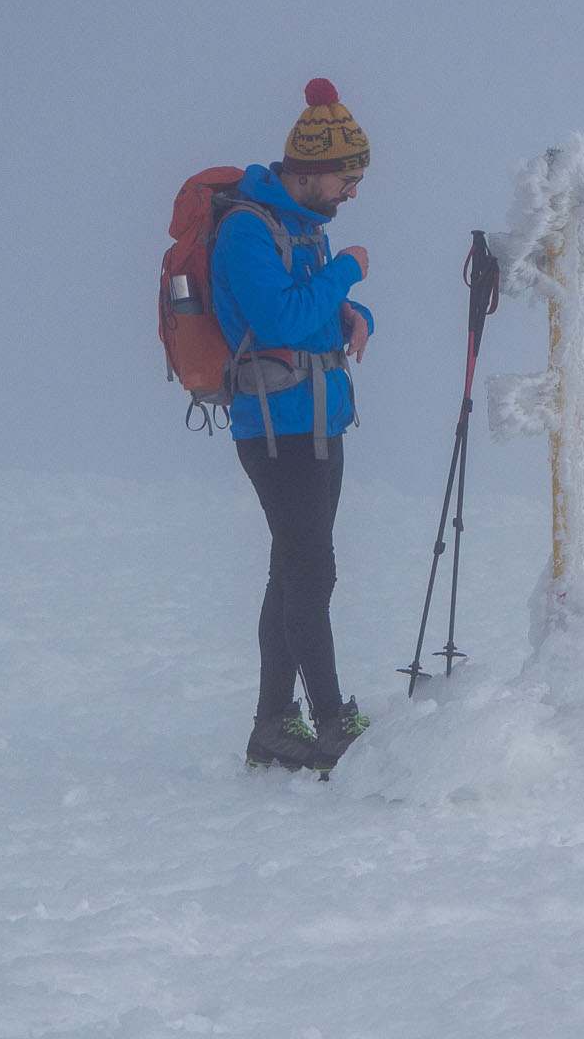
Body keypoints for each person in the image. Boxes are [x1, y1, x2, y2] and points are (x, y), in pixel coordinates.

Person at [215, 77, 376, 773]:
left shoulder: (303, 228)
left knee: (293, 569)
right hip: (276, 431)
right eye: (347, 179)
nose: (352, 194)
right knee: (312, 570)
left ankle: (273, 727)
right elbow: (278, 319)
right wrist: (345, 274)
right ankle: (329, 722)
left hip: (318, 418)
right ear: (311, 174)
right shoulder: (248, 230)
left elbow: (308, 315)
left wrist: (356, 314)